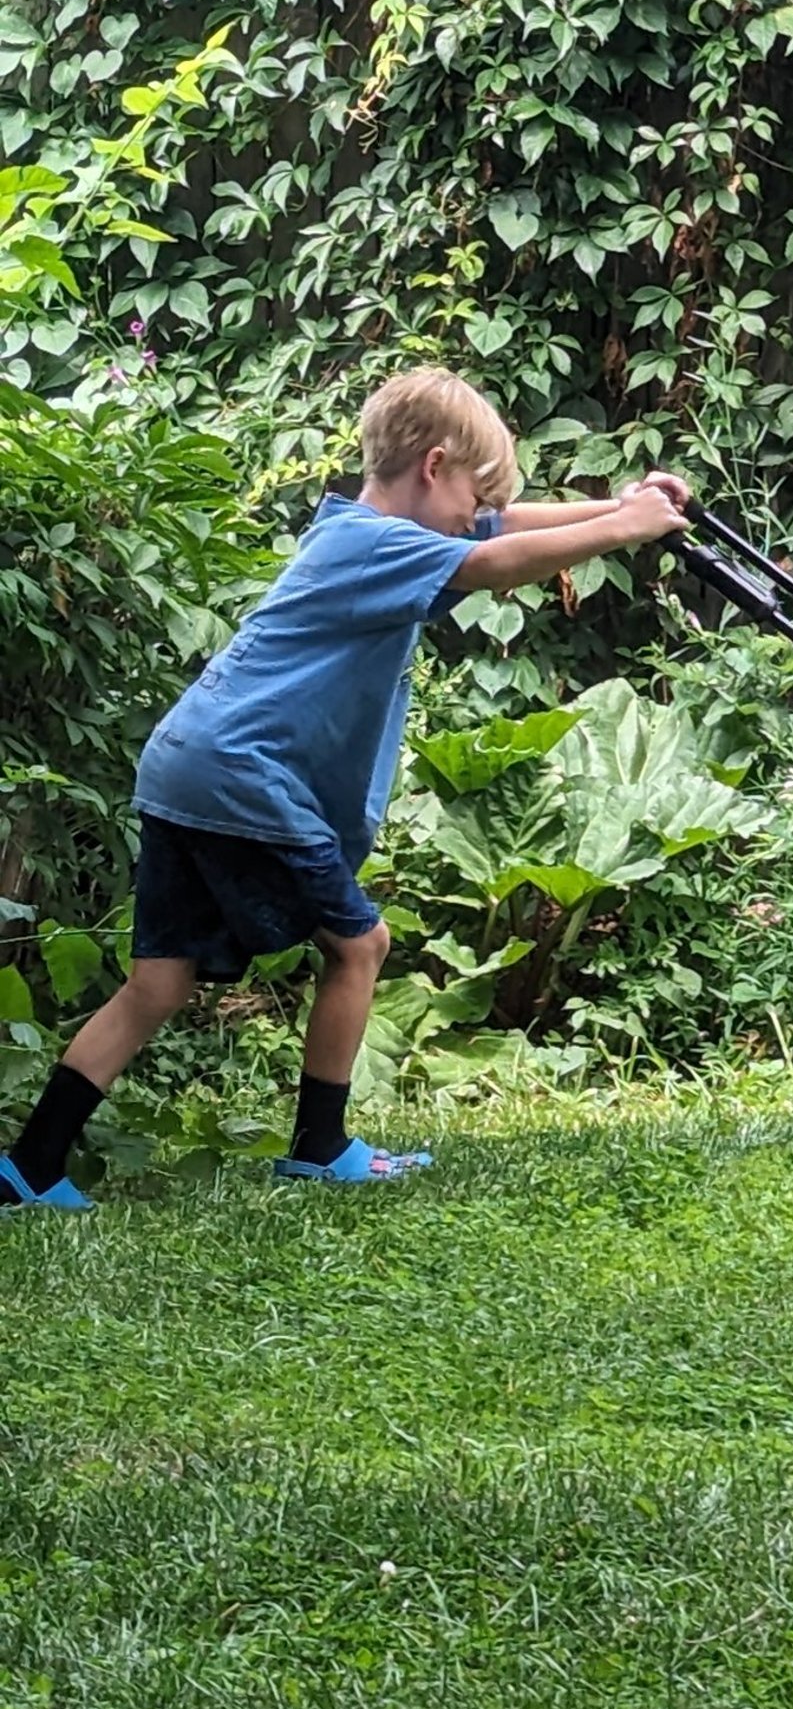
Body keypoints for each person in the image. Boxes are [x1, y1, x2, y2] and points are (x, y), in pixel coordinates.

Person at [0, 366, 689, 1211]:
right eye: (472, 490)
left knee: (159, 983)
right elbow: (498, 557)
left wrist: (621, 507)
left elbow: (499, 524)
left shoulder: (358, 533)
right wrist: (623, 532)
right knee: (359, 946)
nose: (479, 511)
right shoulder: (379, 545)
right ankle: (321, 1149)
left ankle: (29, 1169)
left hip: (191, 762)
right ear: (434, 465)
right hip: (240, 772)